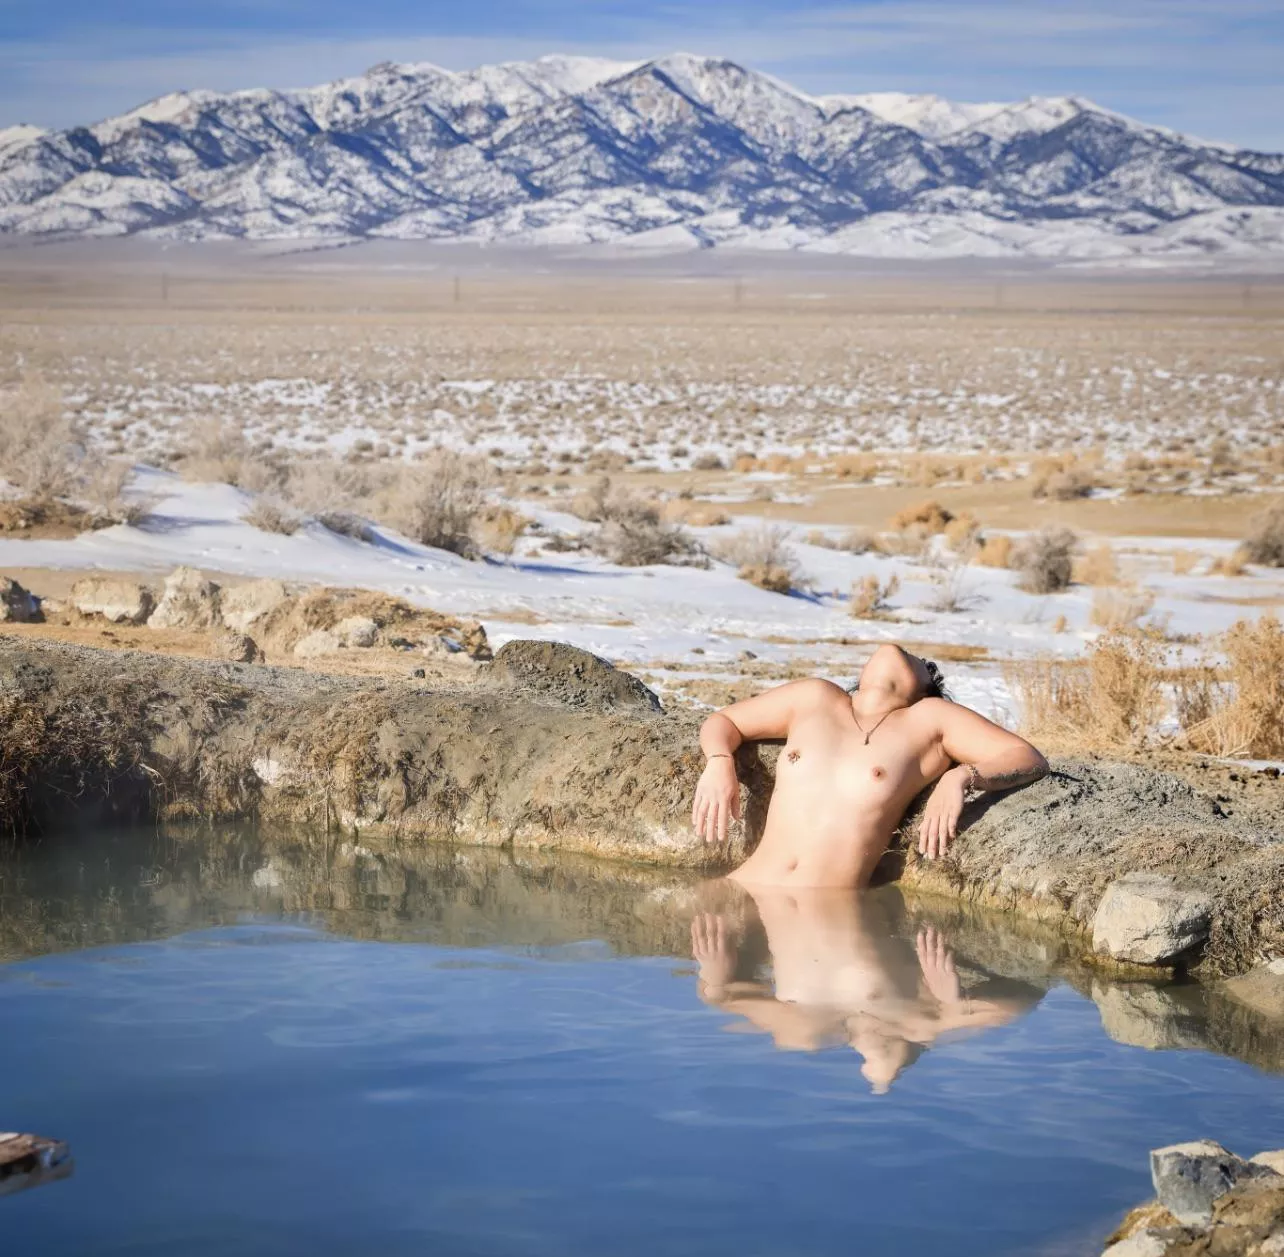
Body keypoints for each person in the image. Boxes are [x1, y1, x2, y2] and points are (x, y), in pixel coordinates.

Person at [691, 644, 1048, 888]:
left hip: (823, 913)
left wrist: (962, 777)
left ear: (926, 688)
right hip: (744, 884)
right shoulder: (814, 697)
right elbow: (724, 721)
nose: (897, 649)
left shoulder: (928, 719)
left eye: (919, 660)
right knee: (714, 990)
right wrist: (720, 761)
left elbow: (1027, 756)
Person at [690, 887, 1032, 1092]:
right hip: (802, 889)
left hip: (790, 891)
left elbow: (722, 997)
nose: (884, 1066)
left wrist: (716, 977)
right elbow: (1029, 994)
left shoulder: (802, 1033)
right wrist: (956, 1003)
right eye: (894, 1064)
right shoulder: (927, 1023)